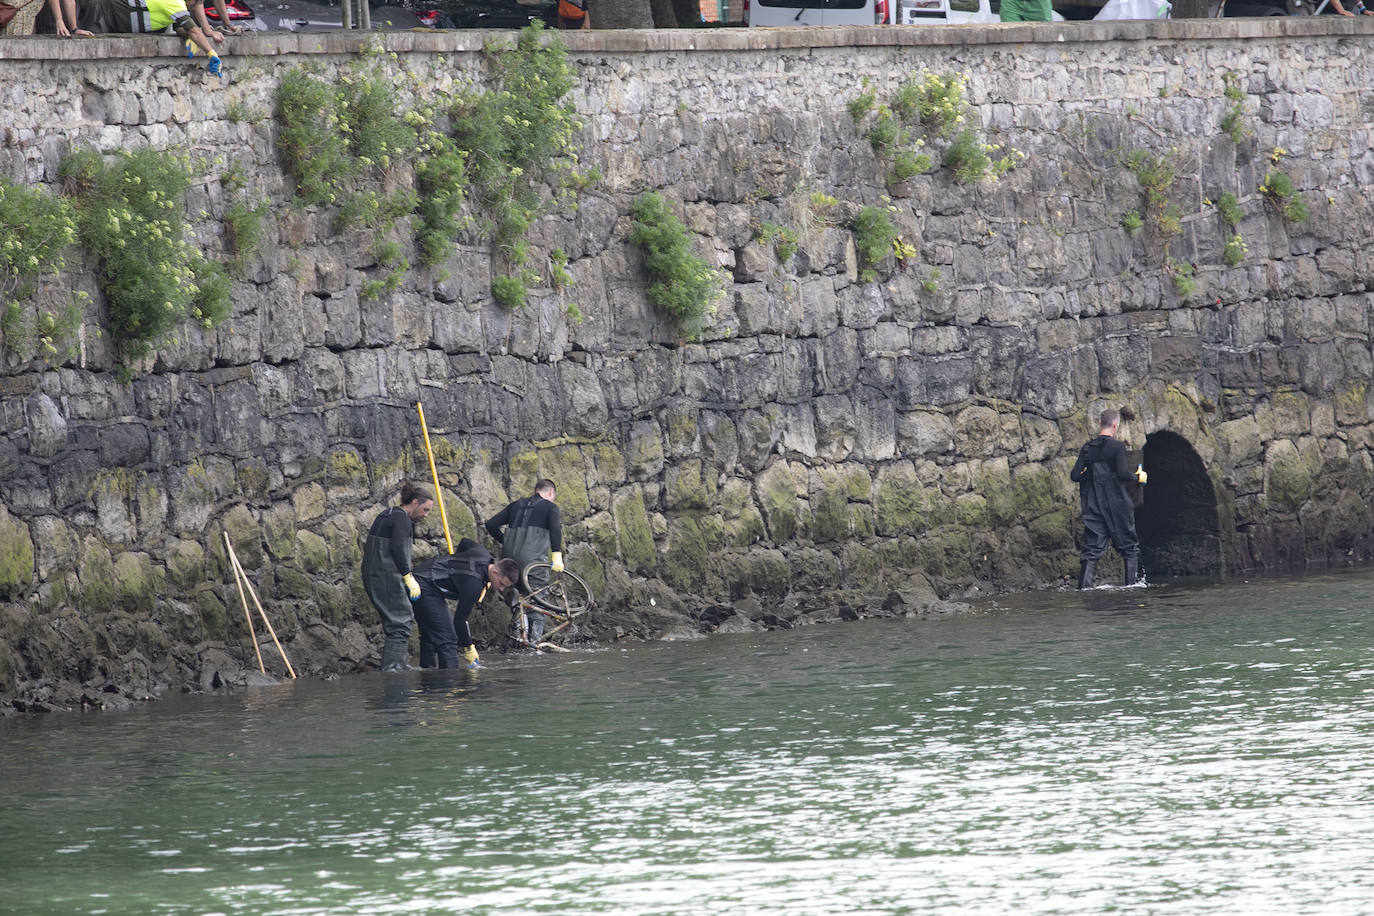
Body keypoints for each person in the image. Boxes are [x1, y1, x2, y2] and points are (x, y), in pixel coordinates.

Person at [1070, 409, 1148, 589]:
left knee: (1092, 550)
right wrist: (1138, 477)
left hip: (1093, 503)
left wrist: (1091, 475)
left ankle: (1084, 589)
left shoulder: (1087, 448)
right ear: (1115, 425)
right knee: (1129, 547)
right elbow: (1122, 473)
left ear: (1099, 423)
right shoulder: (1117, 447)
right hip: (1116, 503)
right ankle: (1131, 588)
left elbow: (1074, 476)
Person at [412, 539, 519, 670]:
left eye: (504, 587)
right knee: (448, 639)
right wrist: (469, 648)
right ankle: (450, 683)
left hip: (422, 573)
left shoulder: (483, 554)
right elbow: (459, 620)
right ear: (495, 572)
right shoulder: (473, 586)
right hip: (424, 586)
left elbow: (464, 542)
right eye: (501, 584)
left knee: (431, 634)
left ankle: (428, 675)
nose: (501, 589)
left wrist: (456, 561)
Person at [361, 481, 433, 672]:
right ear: (415, 502)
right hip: (386, 576)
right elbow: (397, 547)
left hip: (374, 574)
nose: (425, 515)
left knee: (396, 619)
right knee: (401, 621)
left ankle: (397, 664)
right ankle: (393, 668)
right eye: (425, 509)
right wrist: (408, 576)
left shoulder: (387, 514)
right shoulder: (401, 519)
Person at [484, 478, 563, 646]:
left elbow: (491, 524)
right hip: (532, 563)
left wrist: (506, 541)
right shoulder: (550, 507)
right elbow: (555, 530)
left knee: (518, 602)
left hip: (509, 563)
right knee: (537, 600)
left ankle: (519, 637)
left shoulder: (516, 505)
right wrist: (557, 554)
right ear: (550, 493)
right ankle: (534, 645)